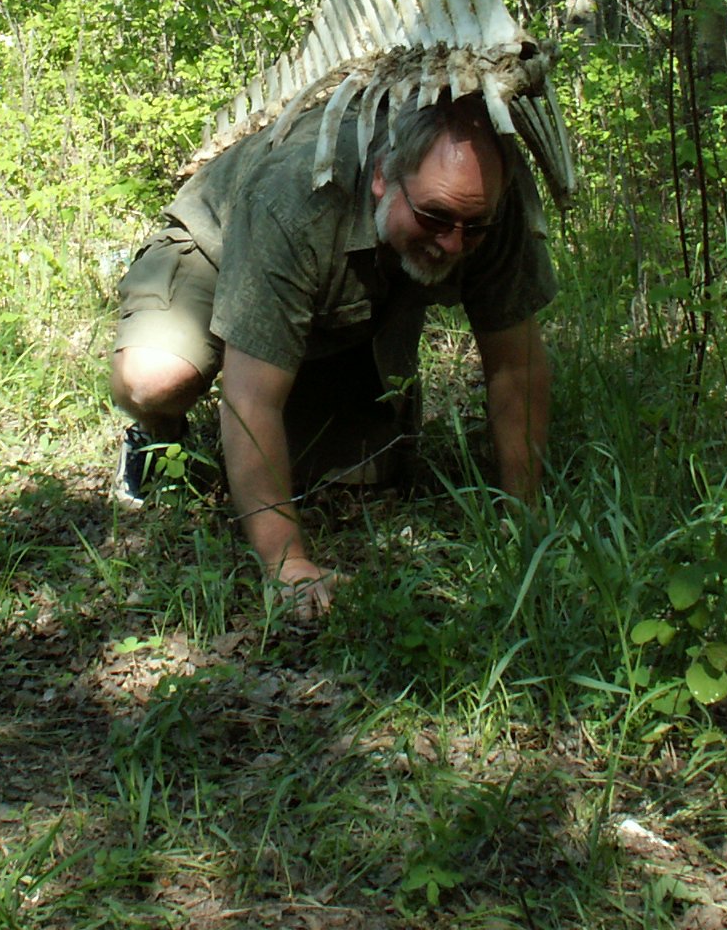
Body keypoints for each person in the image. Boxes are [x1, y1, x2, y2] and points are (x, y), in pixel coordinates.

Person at [109, 93, 556, 619]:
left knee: (358, 478)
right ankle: (158, 435)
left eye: (473, 225)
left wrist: (523, 515)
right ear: (384, 177)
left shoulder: (491, 205)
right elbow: (250, 400)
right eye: (434, 216)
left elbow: (516, 366)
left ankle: (299, 359)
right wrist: (287, 563)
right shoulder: (298, 198)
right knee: (155, 379)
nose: (454, 244)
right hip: (220, 246)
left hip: (353, 288)